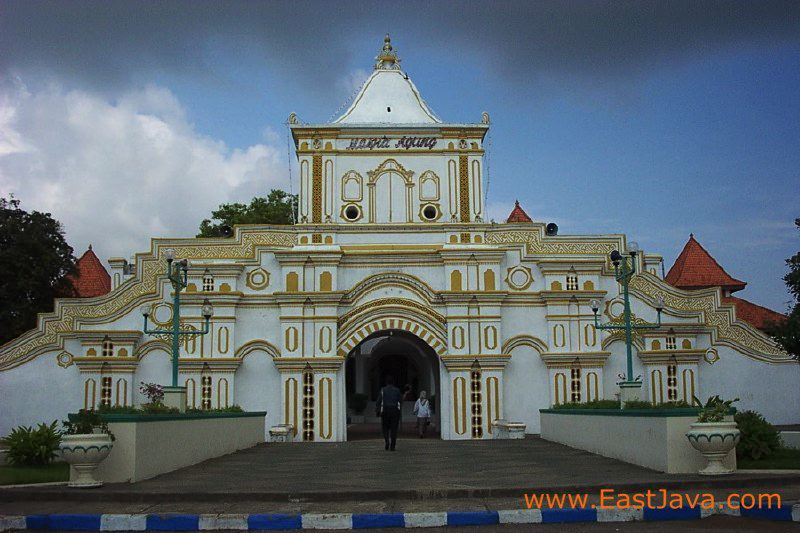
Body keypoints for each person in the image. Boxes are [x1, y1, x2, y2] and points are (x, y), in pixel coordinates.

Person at [376, 375, 402, 451]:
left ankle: (387, 441)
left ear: (386, 382)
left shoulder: (383, 390)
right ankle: (392, 445)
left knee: (385, 428)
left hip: (385, 410)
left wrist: (377, 409)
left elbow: (379, 400)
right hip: (394, 410)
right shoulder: (397, 390)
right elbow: (400, 400)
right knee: (394, 429)